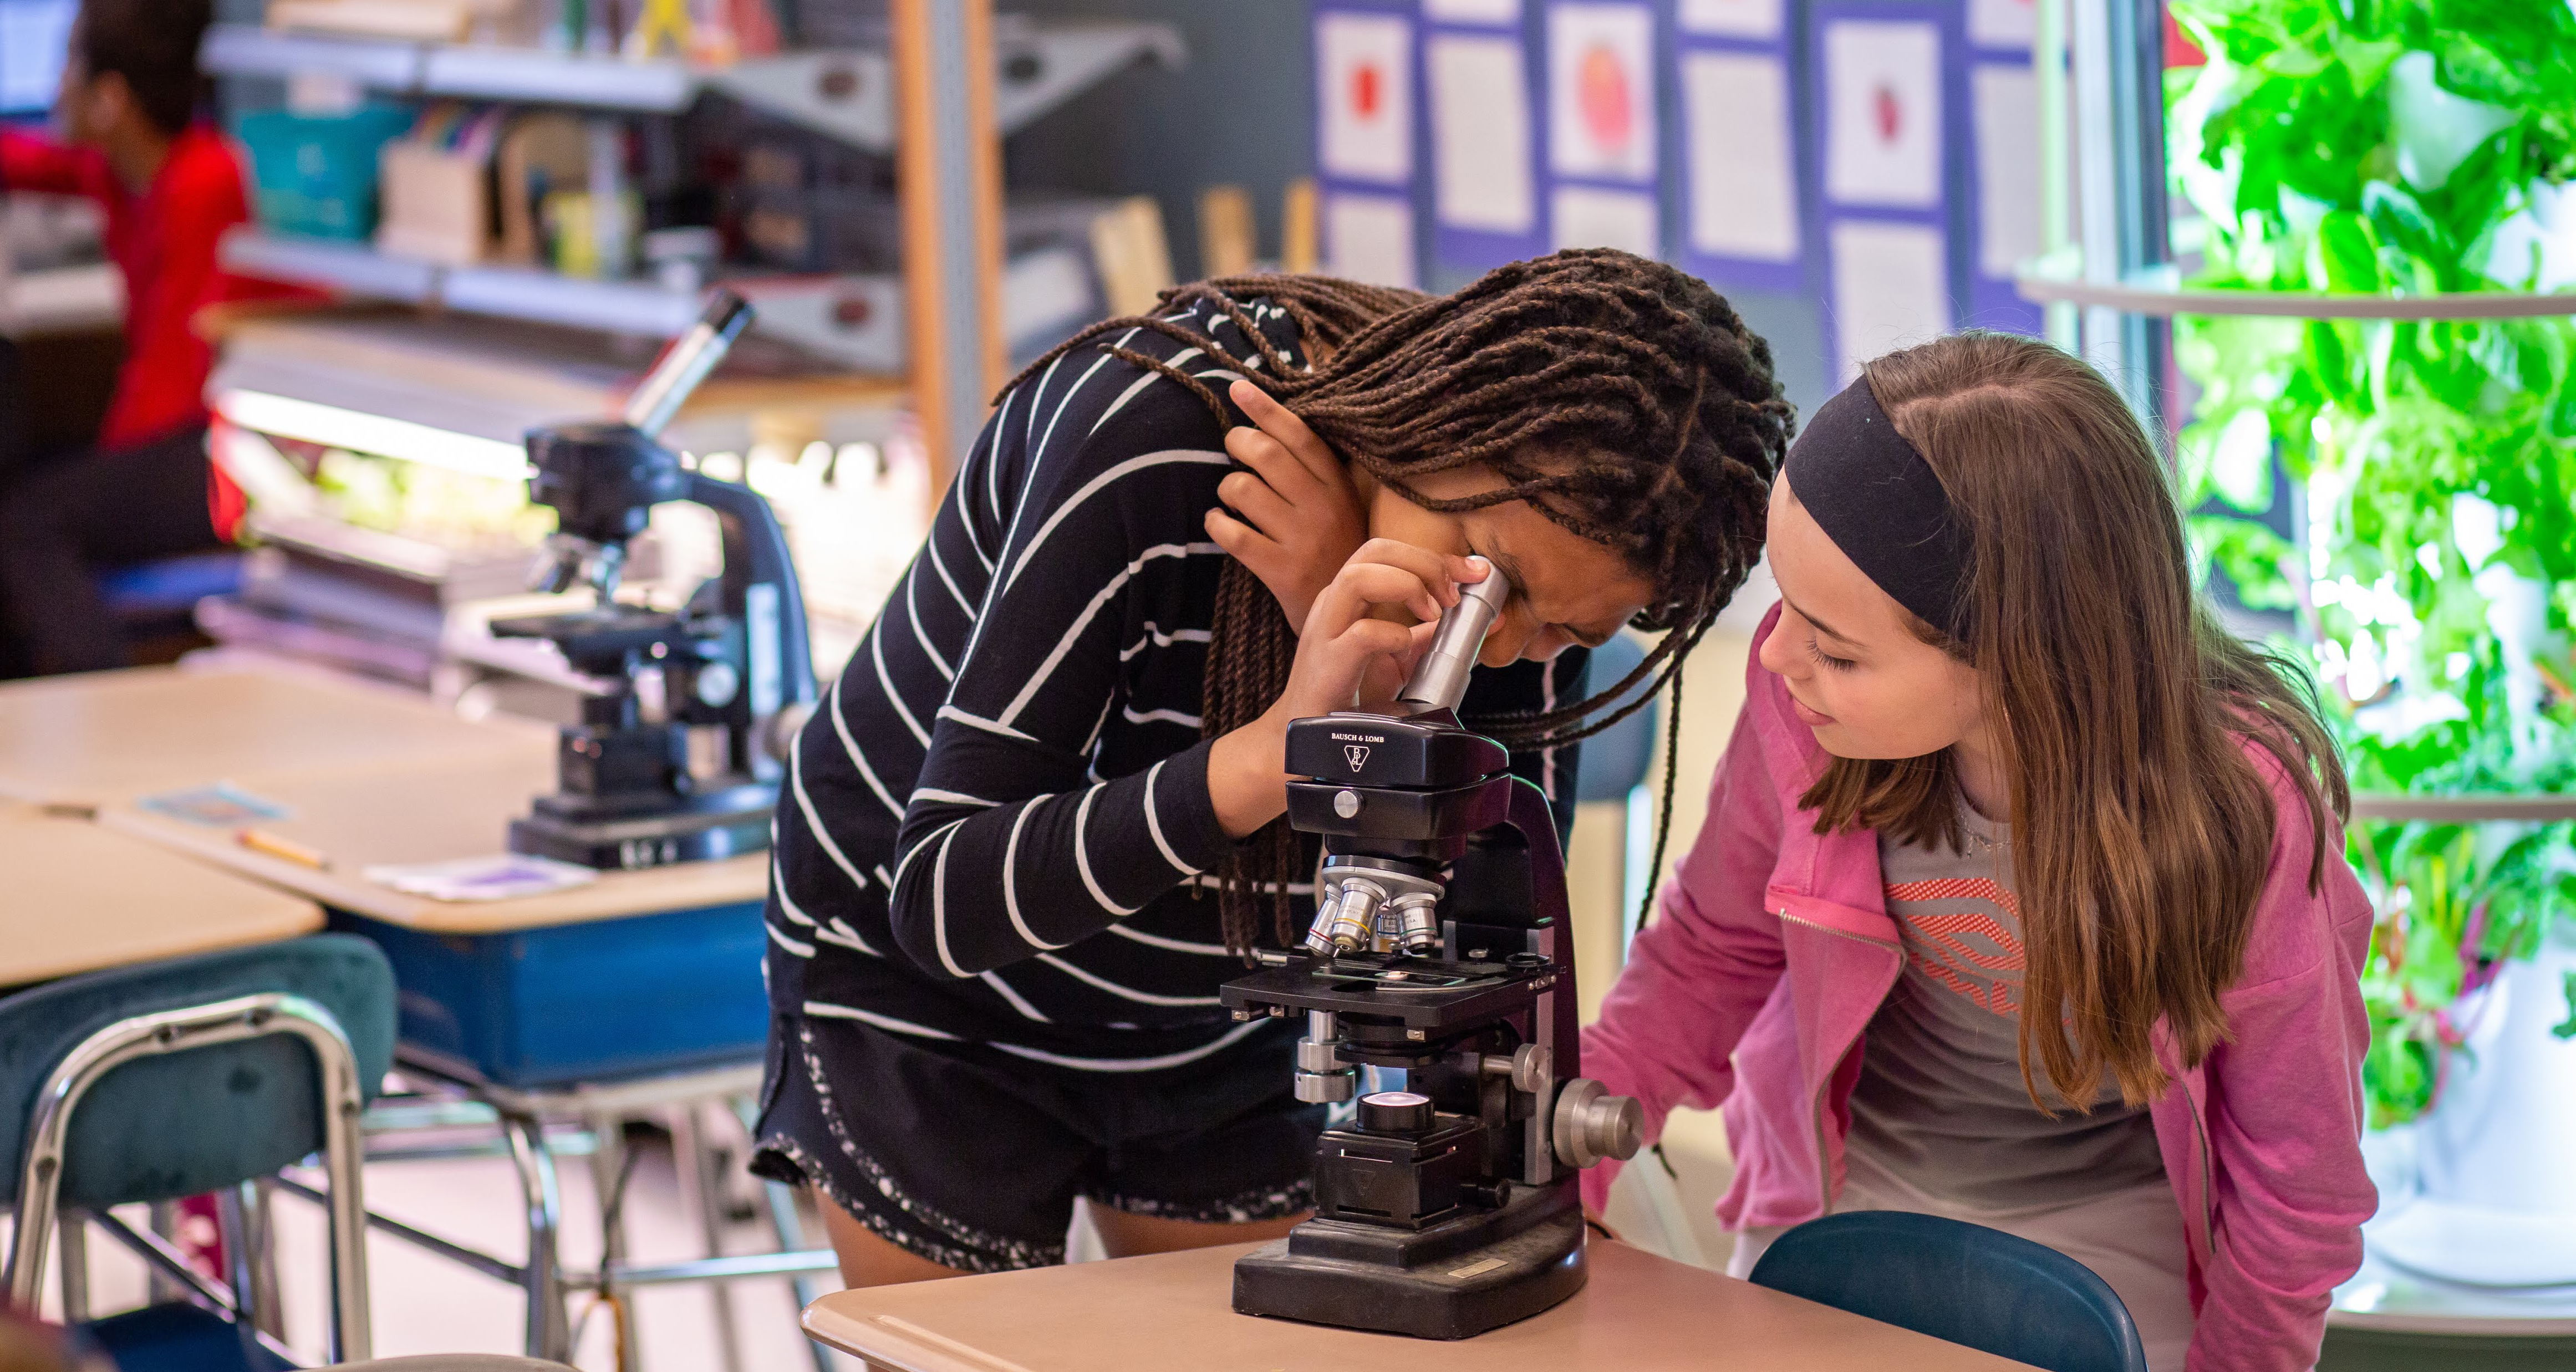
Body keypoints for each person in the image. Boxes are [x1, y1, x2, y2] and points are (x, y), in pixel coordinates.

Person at [752, 249, 1792, 1284]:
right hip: (933, 1005)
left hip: (1221, 1022)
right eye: (1491, 582)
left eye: (1560, 631)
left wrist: (1367, 697)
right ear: (1448, 424)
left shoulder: (1548, 564)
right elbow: (947, 903)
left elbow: (1479, 965)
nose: (1490, 642)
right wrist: (1289, 740)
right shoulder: (1146, 430)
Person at [1582, 331, 2375, 1371]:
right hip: (1838, 1188)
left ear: (2019, 653)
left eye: (1835, 648)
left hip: (2117, 1228)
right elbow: (1709, 953)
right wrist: (1564, 1154)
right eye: (1784, 611)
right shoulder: (1802, 709)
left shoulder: (2245, 810)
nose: (1775, 659)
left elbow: (2296, 1186)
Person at [0, 0, 260, 675]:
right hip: (177, 434)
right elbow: (25, 161)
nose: (54, 88)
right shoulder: (118, 173)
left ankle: (107, 692)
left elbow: (176, 376)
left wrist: (103, 470)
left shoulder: (205, 181)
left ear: (109, 99)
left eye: (68, 69)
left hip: (219, 445)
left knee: (28, 520)